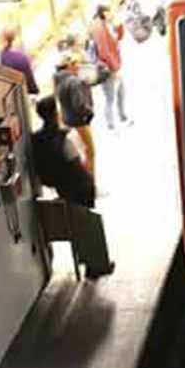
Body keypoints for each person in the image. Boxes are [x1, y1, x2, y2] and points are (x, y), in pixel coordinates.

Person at [32, 96, 115, 278]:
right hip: (78, 185)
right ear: (55, 113)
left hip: (61, 187)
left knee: (76, 222)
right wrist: (89, 180)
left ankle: (86, 260)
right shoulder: (64, 135)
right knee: (87, 222)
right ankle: (96, 265)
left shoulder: (36, 139)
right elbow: (74, 160)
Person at [89, 5, 131, 130]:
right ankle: (111, 124)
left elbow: (119, 37)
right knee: (110, 97)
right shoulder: (98, 28)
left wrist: (118, 25)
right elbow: (104, 51)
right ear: (104, 13)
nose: (112, 14)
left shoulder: (107, 24)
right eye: (110, 12)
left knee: (121, 91)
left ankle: (122, 116)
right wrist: (114, 67)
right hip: (108, 68)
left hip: (115, 64)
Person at [53, 53, 96, 175]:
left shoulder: (59, 81)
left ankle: (83, 178)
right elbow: (79, 105)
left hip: (68, 121)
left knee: (79, 153)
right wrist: (89, 112)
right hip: (79, 122)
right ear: (69, 66)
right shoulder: (74, 82)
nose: (78, 66)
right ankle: (89, 180)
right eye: (75, 64)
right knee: (90, 152)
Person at [0, 28, 38, 94]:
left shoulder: (4, 57)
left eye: (0, 40)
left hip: (20, 92)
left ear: (4, 40)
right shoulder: (21, 54)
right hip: (31, 89)